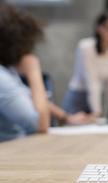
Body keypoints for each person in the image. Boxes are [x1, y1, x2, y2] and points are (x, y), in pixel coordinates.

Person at [0, 3, 90, 142]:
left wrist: (66, 118)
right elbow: (40, 125)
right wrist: (34, 71)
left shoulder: (7, 71)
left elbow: (27, 97)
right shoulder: (1, 77)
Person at [63, 10, 108, 118]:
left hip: (97, 96)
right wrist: (97, 112)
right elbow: (92, 81)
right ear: (99, 28)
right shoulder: (86, 47)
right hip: (78, 99)